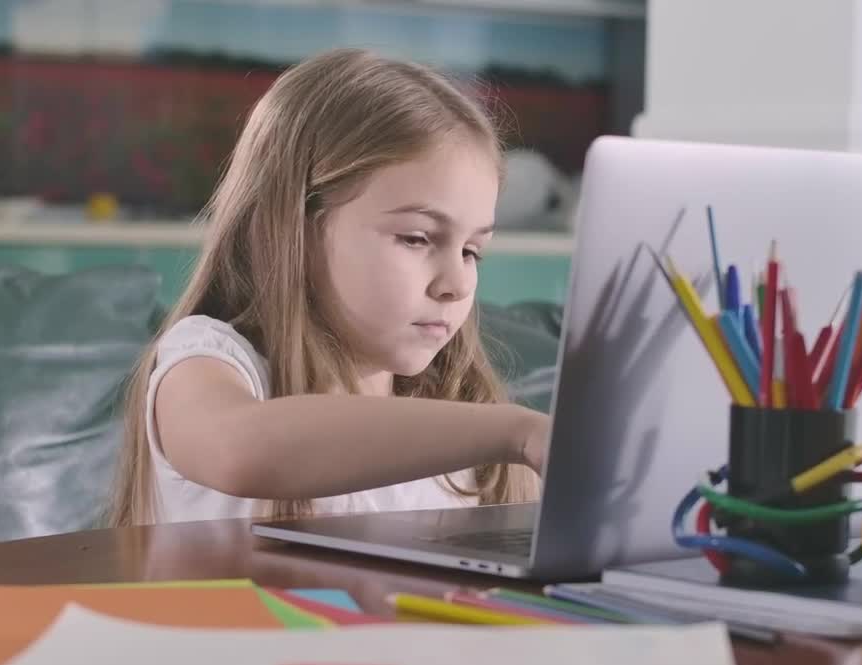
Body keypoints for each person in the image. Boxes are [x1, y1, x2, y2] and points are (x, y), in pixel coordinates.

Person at [107, 49, 548, 526]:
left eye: (471, 251)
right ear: (292, 229)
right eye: (417, 238)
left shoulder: (462, 419)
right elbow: (240, 450)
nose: (457, 284)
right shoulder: (210, 361)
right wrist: (513, 432)